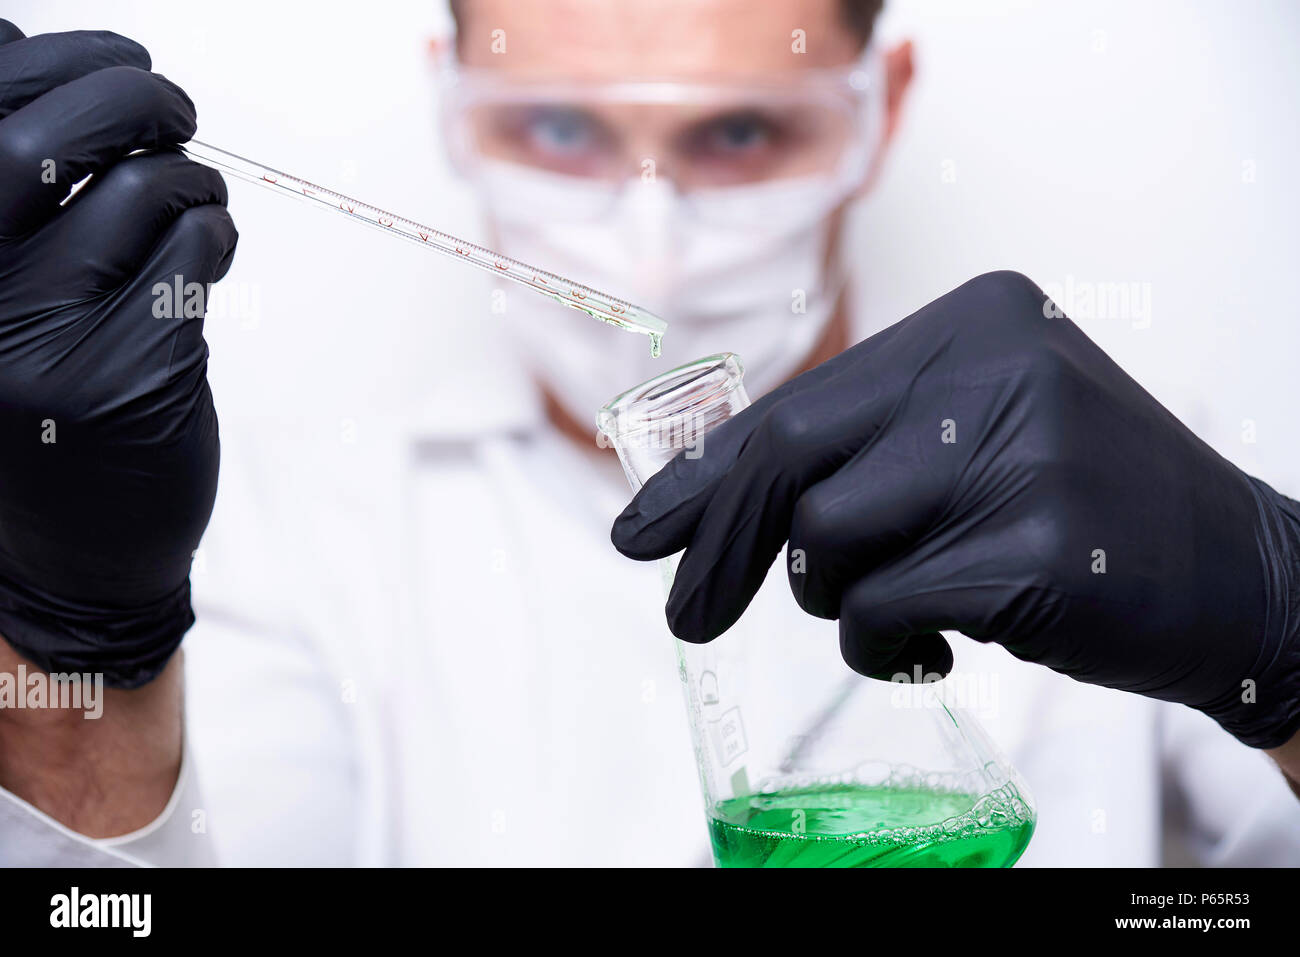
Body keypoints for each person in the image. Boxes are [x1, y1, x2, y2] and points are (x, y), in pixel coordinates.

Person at [0, 0, 1296, 867]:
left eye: (740, 130)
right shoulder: (293, 545)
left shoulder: (1104, 487)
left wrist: (1284, 640)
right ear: (451, 97)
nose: (652, 246)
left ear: (880, 107)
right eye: (559, 128)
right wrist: (79, 673)